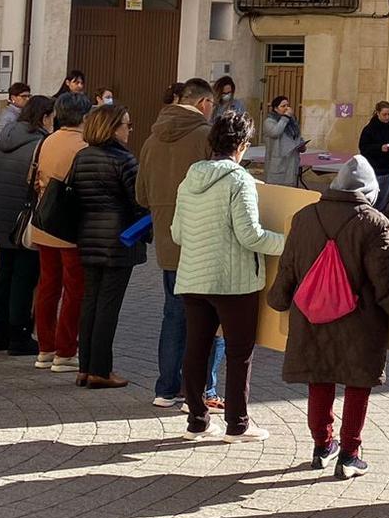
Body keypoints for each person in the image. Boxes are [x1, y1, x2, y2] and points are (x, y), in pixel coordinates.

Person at [270, 155, 389, 477]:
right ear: (369, 191)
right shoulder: (374, 224)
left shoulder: (303, 217)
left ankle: (322, 445)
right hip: (359, 322)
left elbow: (287, 270)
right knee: (357, 384)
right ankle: (350, 453)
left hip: (311, 317)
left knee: (319, 378)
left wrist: (277, 300)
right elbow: (387, 286)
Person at [170, 112, 284, 441]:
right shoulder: (240, 180)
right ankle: (238, 423)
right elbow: (251, 236)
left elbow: (177, 232)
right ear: (243, 146)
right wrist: (287, 244)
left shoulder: (189, 178)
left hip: (193, 276)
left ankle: (197, 421)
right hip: (233, 281)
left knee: (196, 348)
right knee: (239, 351)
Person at [137, 78, 223, 410]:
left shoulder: (150, 139)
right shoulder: (206, 136)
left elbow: (141, 195)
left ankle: (165, 388)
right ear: (204, 103)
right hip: (203, 239)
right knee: (207, 318)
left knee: (173, 315)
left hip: (167, 241)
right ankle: (201, 390)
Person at [67, 102, 147, 389]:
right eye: (126, 124)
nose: (129, 130)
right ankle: (100, 370)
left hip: (88, 235)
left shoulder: (82, 156)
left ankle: (85, 367)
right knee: (107, 307)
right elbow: (139, 201)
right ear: (113, 128)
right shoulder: (125, 160)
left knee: (90, 302)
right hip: (119, 239)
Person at [28, 92, 92, 374]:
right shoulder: (83, 145)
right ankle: (65, 350)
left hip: (44, 221)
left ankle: (45, 347)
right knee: (74, 289)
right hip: (70, 225)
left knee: (47, 286)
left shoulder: (47, 140)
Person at [0, 93, 52, 356]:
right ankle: (18, 334)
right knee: (24, 278)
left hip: (3, 216)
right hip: (24, 220)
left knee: (3, 274)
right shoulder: (40, 144)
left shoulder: (6, 139)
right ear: (44, 117)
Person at [360, 101, 389, 209]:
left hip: (388, 168)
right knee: (371, 199)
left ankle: (379, 218)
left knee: (383, 200)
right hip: (374, 168)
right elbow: (363, 148)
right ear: (377, 113)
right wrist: (379, 148)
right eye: (384, 114)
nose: (387, 117)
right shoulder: (369, 130)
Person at [260, 96, 306, 186]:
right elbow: (276, 132)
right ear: (275, 108)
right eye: (283, 106)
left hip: (291, 164)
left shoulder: (291, 122)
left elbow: (296, 136)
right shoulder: (269, 122)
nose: (286, 108)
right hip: (278, 164)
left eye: (287, 105)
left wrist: (302, 145)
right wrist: (285, 117)